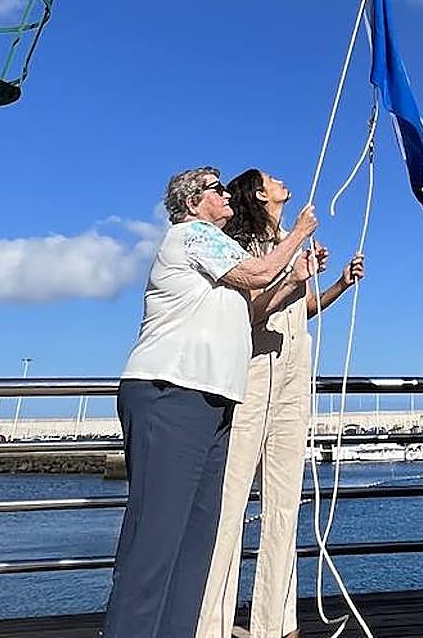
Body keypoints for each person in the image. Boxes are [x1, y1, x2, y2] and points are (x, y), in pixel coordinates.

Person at [103, 166, 318, 638]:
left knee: (196, 538)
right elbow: (257, 270)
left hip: (214, 400)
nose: (225, 195)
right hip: (170, 390)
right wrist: (298, 234)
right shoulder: (191, 235)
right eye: (216, 189)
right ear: (194, 201)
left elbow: (256, 303)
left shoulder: (219, 254)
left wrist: (300, 274)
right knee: (157, 535)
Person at [196, 169, 365, 638]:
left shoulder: (287, 249)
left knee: (286, 502)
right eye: (271, 179)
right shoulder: (244, 247)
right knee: (230, 503)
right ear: (259, 193)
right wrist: (295, 249)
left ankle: (277, 622)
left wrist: (337, 286)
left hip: (293, 374)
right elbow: (253, 309)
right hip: (252, 376)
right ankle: (211, 623)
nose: (281, 180)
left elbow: (299, 309)